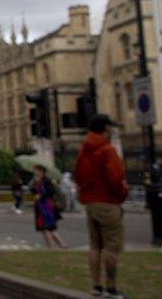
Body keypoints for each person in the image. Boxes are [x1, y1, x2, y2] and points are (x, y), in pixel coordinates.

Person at [75, 114, 128, 299]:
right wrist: (122, 194)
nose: (112, 130)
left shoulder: (84, 149)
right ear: (105, 128)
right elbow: (116, 178)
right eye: (110, 127)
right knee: (112, 247)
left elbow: (78, 175)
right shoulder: (107, 150)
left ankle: (96, 286)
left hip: (90, 203)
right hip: (107, 201)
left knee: (95, 246)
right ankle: (111, 288)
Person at [30, 165, 66, 248]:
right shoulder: (37, 181)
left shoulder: (46, 181)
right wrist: (32, 186)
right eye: (35, 170)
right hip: (40, 207)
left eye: (37, 170)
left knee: (48, 227)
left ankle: (52, 246)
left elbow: (51, 191)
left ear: (42, 171)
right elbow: (34, 192)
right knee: (44, 228)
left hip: (47, 207)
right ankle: (60, 244)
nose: (36, 172)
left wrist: (41, 196)